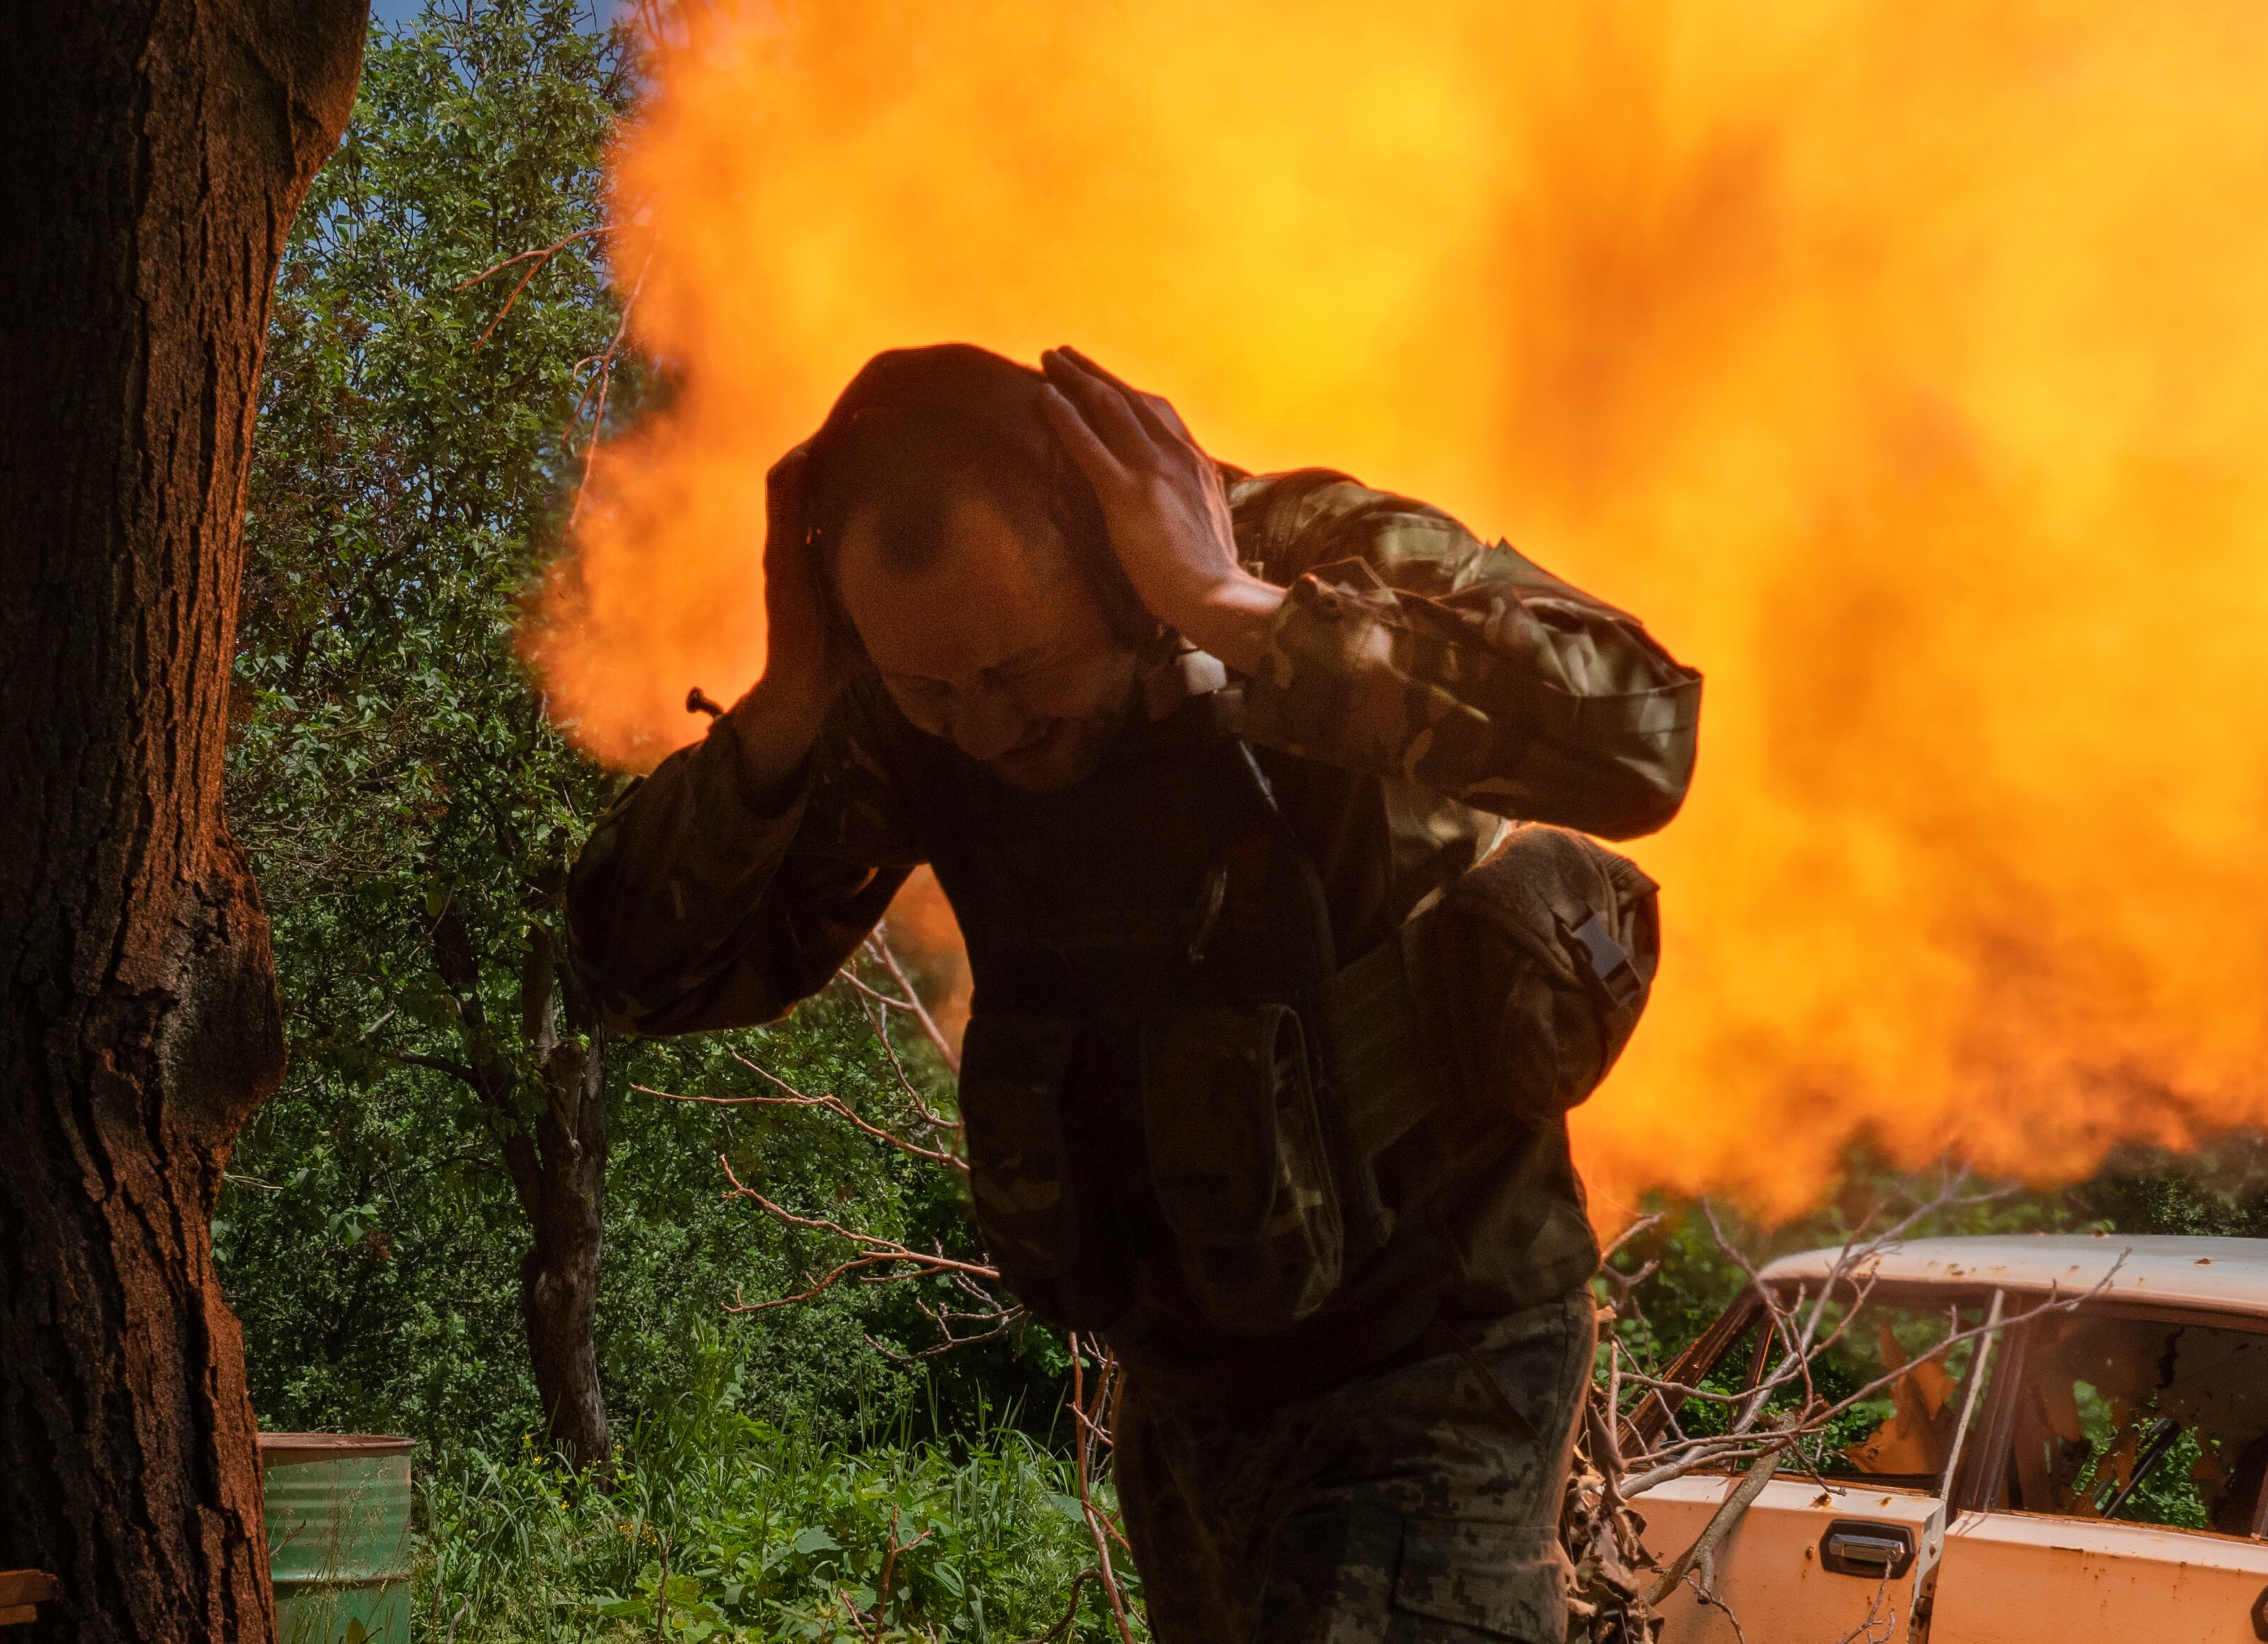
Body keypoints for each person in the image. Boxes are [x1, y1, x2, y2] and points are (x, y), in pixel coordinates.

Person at [567, 342, 1701, 1643]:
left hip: (1436, 1357)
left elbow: (1644, 732)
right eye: (935, 690)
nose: (989, 727)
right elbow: (630, 972)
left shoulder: (1286, 556)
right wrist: (788, 708)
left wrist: (1231, 606)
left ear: (1112, 553)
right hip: (1188, 1394)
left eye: (1021, 671)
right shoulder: (911, 705)